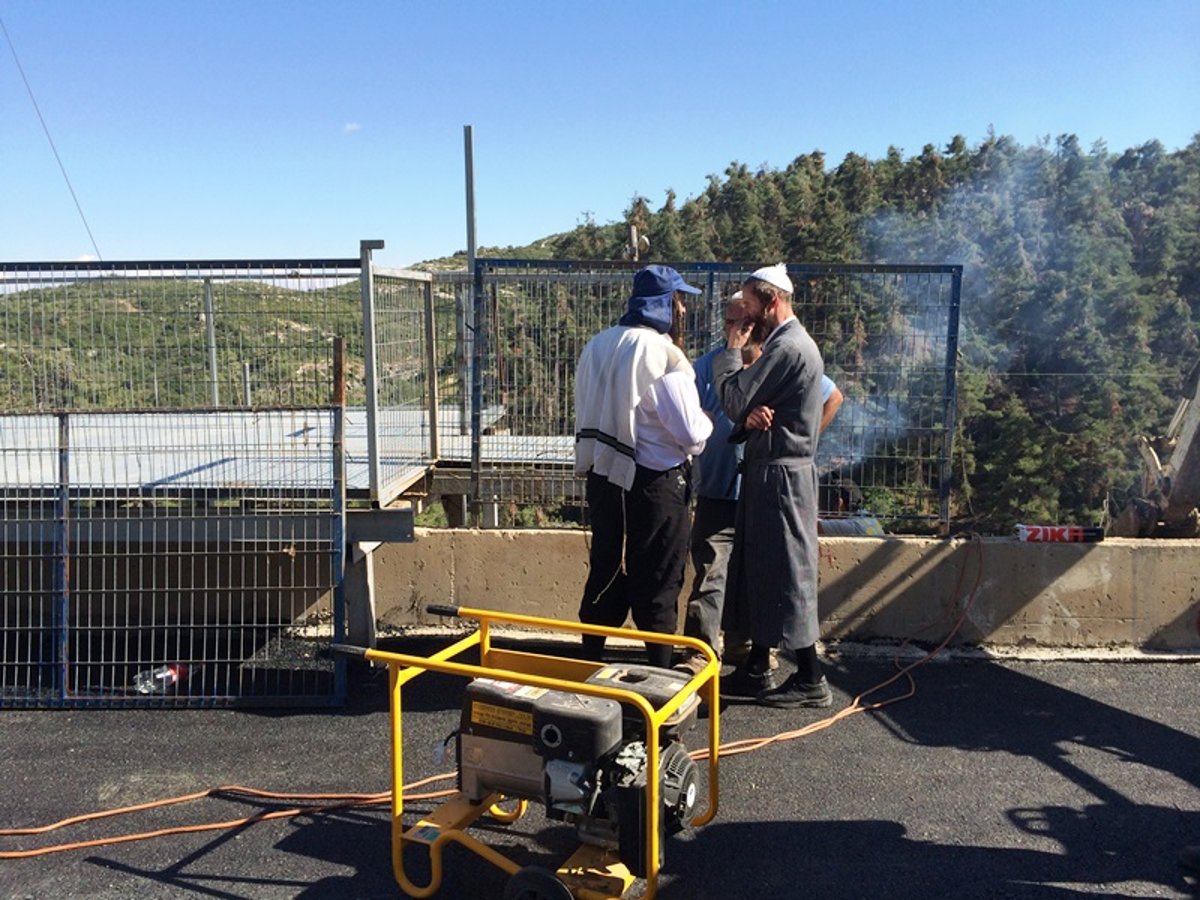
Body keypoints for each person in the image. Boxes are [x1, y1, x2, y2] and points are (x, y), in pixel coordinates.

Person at [675, 291, 842, 675]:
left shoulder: (779, 359)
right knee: (712, 571)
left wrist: (801, 440)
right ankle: (700, 652)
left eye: (745, 322)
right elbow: (693, 415)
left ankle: (745, 648)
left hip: (763, 491)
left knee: (757, 575)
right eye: (732, 322)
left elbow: (831, 396)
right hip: (719, 487)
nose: (739, 330)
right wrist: (740, 420)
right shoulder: (710, 365)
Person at [574, 265, 713, 668]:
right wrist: (706, 420)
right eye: (679, 300)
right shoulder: (663, 354)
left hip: (605, 477)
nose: (683, 309)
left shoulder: (598, 343)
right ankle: (659, 685)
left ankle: (589, 667)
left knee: (605, 570)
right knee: (658, 581)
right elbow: (691, 435)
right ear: (665, 305)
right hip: (656, 485)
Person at [714, 263, 831, 708]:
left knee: (787, 569)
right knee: (764, 567)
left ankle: (811, 677)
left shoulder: (787, 348)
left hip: (781, 478)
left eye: (749, 306)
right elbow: (751, 409)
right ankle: (759, 666)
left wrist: (731, 351)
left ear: (772, 302)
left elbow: (734, 399)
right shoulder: (789, 344)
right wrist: (749, 418)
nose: (745, 316)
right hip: (775, 473)